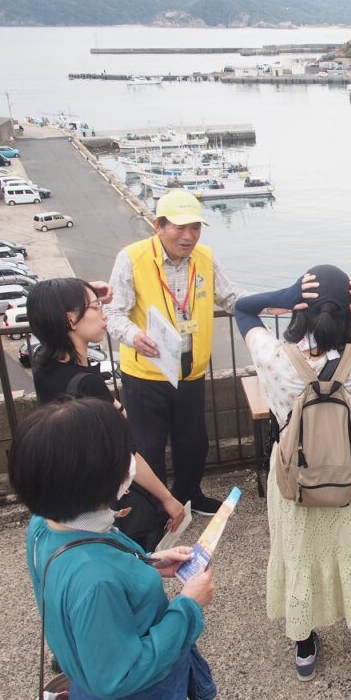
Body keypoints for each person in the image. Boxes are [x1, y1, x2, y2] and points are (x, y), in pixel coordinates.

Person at [13, 397, 214, 700]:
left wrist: (147, 563)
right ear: (95, 476)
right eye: (124, 456)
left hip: (95, 698)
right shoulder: (96, 582)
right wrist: (188, 605)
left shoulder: (43, 527)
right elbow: (122, 674)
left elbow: (97, 568)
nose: (130, 464)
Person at [232, 265, 351, 681]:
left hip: (294, 482)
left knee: (300, 557)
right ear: (346, 312)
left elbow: (243, 311)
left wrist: (283, 294)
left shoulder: (277, 360)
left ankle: (305, 650)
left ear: (299, 310)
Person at [106, 190, 246, 516]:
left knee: (193, 442)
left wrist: (276, 303)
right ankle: (153, 509)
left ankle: (189, 495)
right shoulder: (132, 257)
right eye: (180, 228)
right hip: (146, 374)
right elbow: (113, 314)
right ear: (158, 225)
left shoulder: (205, 258)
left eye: (195, 227)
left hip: (190, 372)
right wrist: (133, 335)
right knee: (148, 447)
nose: (189, 236)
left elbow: (232, 298)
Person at [27, 277, 185, 551]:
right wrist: (167, 499)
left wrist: (87, 292)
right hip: (99, 500)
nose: (104, 314)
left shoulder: (45, 366)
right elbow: (127, 455)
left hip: (71, 495)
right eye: (95, 307)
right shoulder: (87, 385)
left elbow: (42, 300)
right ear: (70, 320)